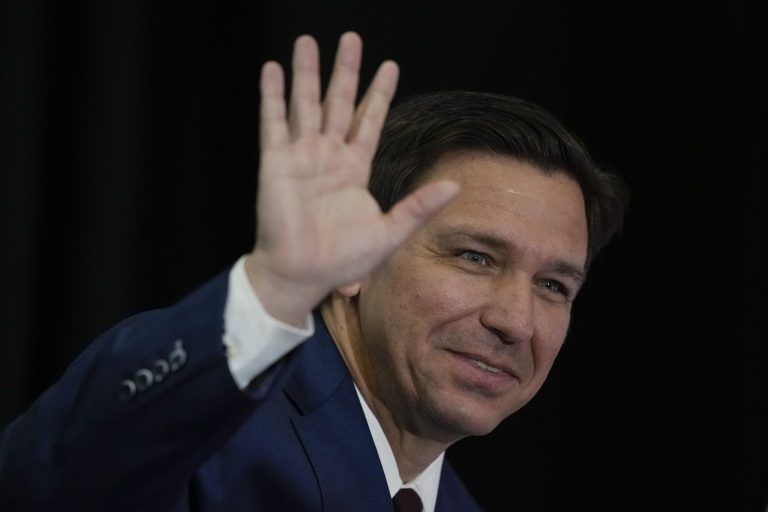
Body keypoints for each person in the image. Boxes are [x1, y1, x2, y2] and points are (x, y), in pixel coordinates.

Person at [0, 32, 628, 511]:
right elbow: (49, 484)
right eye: (475, 257)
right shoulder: (215, 430)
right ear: (356, 260)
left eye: (554, 285)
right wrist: (272, 293)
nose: (516, 321)